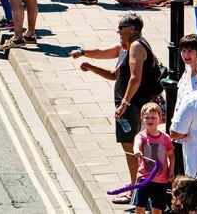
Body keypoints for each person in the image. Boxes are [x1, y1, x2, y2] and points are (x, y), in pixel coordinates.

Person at [72, 12, 170, 196]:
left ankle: (136, 189)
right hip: (134, 106)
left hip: (134, 106)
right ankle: (142, 184)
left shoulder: (136, 47)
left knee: (131, 147)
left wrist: (124, 103)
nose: (118, 32)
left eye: (120, 28)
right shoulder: (128, 47)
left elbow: (135, 79)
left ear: (132, 28)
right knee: (136, 146)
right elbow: (111, 68)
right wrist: (90, 63)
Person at [132, 102, 174, 214]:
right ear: (142, 119)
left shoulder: (165, 138)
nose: (150, 120)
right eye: (147, 117)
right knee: (140, 206)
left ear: (160, 119)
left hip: (161, 179)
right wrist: (137, 151)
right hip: (144, 178)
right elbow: (137, 144)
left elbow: (171, 155)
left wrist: (171, 169)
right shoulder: (141, 136)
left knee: (157, 208)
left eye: (153, 117)